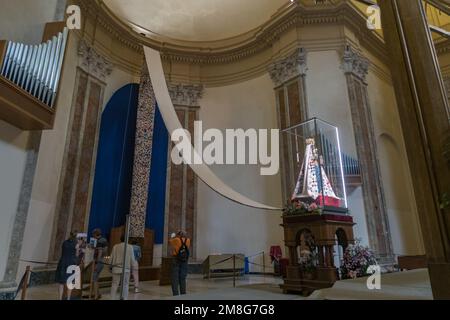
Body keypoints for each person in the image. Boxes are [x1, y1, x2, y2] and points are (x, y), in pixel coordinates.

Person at [109, 234, 137, 300]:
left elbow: (111, 257)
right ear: (127, 239)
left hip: (116, 268)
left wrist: (110, 266)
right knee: (125, 285)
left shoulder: (115, 246)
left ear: (120, 239)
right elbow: (132, 259)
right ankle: (124, 298)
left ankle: (112, 298)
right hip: (126, 269)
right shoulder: (130, 247)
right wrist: (133, 267)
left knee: (114, 284)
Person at [55, 231, 82, 300]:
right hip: (71, 263)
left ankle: (60, 298)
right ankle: (68, 298)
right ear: (76, 237)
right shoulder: (76, 244)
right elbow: (76, 255)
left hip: (63, 262)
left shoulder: (64, 242)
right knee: (70, 282)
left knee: (61, 282)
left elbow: (63, 252)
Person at [169, 231, 191, 296]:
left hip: (176, 259)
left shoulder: (176, 240)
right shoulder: (188, 240)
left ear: (179, 235)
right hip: (184, 259)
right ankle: (183, 294)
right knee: (183, 277)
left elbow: (170, 241)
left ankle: (175, 295)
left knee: (175, 278)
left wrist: (173, 236)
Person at [91, 229, 108, 300]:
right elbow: (105, 250)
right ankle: (98, 294)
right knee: (96, 278)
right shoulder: (104, 240)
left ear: (95, 234)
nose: (93, 236)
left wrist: (97, 262)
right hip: (102, 260)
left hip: (99, 261)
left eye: (93, 235)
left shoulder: (99, 241)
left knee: (94, 278)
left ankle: (96, 296)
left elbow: (100, 251)